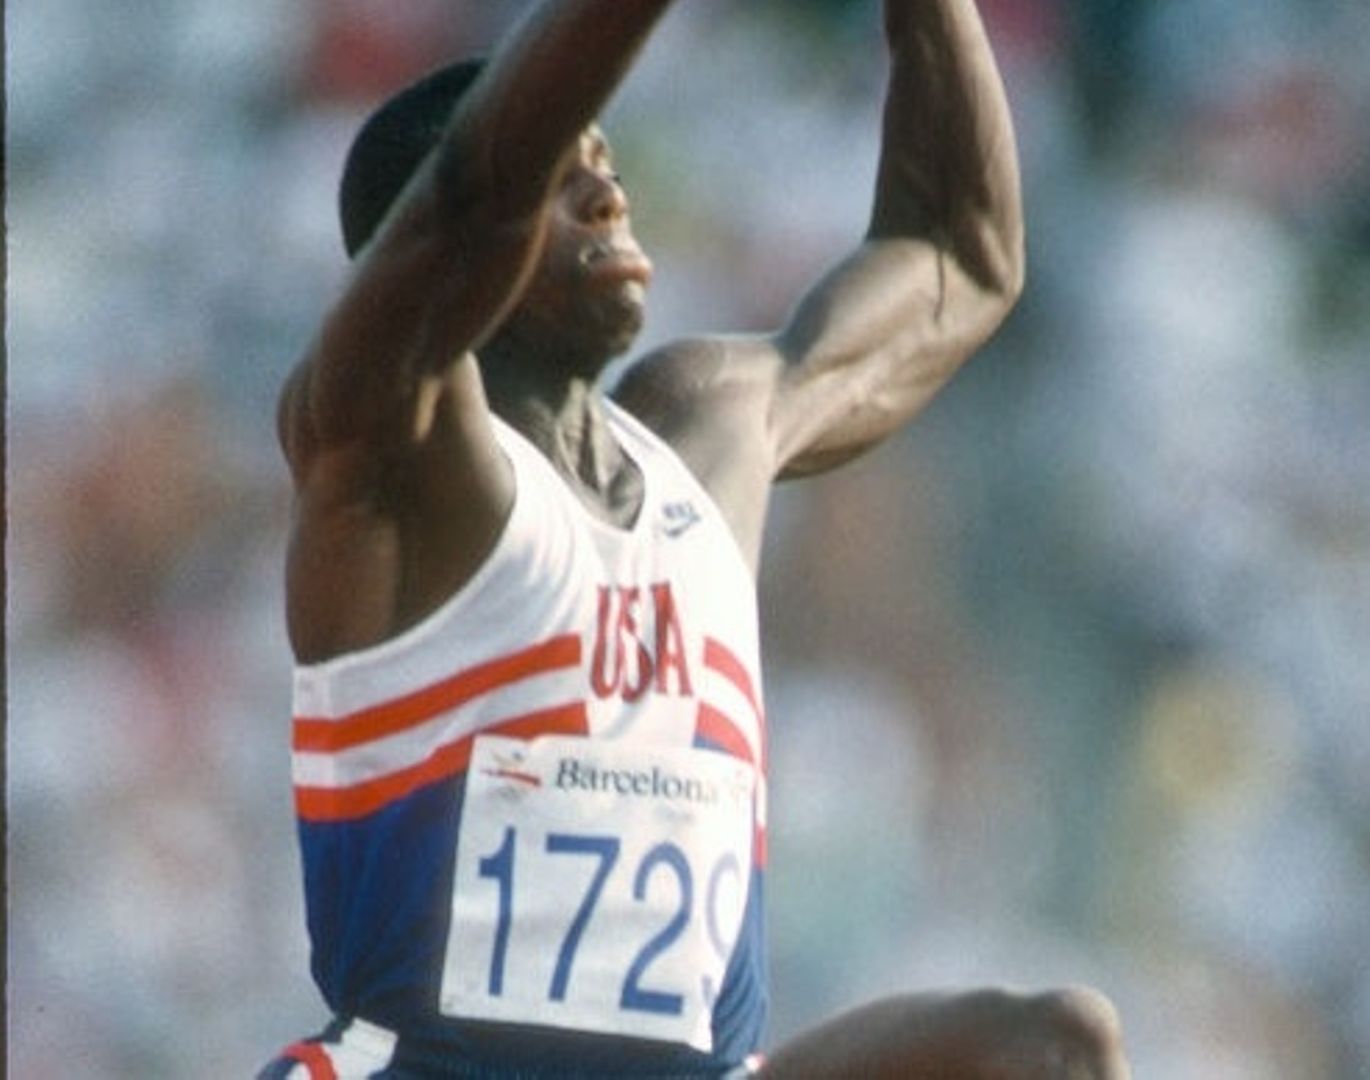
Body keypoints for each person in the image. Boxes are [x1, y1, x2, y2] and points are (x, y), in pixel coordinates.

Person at [260, 1, 1130, 1077]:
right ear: (437, 271)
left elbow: (960, 257)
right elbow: (474, 192)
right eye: (567, 178)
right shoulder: (392, 454)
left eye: (610, 164)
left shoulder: (710, 437)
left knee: (1049, 1046)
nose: (611, 193)